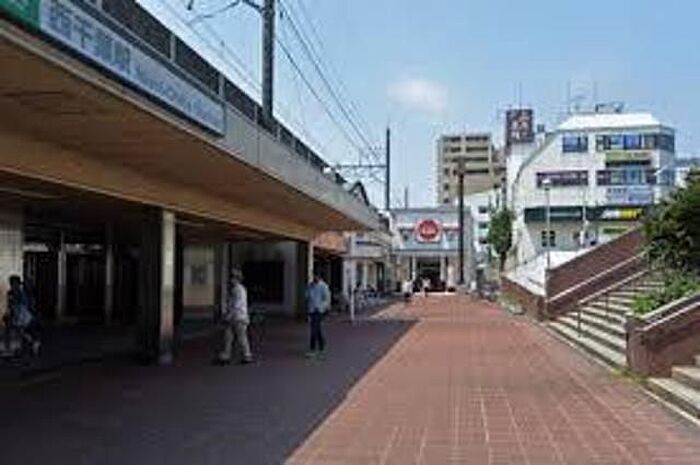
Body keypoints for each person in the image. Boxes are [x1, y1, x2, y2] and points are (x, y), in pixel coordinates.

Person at [216, 269, 253, 365]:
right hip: (237, 316)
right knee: (229, 336)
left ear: (237, 279)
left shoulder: (238, 290)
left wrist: (229, 315)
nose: (231, 280)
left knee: (240, 337)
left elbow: (236, 304)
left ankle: (246, 355)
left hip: (238, 317)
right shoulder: (237, 289)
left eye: (232, 278)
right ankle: (227, 354)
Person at [3, 275, 39, 357]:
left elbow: (24, 305)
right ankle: (29, 344)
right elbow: (10, 305)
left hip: (22, 314)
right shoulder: (11, 293)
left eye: (15, 283)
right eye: (12, 283)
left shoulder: (20, 293)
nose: (13, 285)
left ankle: (31, 344)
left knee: (20, 330)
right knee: (18, 331)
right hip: (18, 314)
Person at [306, 274, 330, 357]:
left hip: (319, 311)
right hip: (312, 310)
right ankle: (321, 345)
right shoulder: (310, 286)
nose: (314, 278)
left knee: (314, 330)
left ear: (319, 277)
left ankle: (312, 349)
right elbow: (307, 296)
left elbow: (326, 299)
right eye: (313, 277)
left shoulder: (323, 286)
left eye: (316, 277)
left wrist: (321, 307)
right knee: (317, 329)